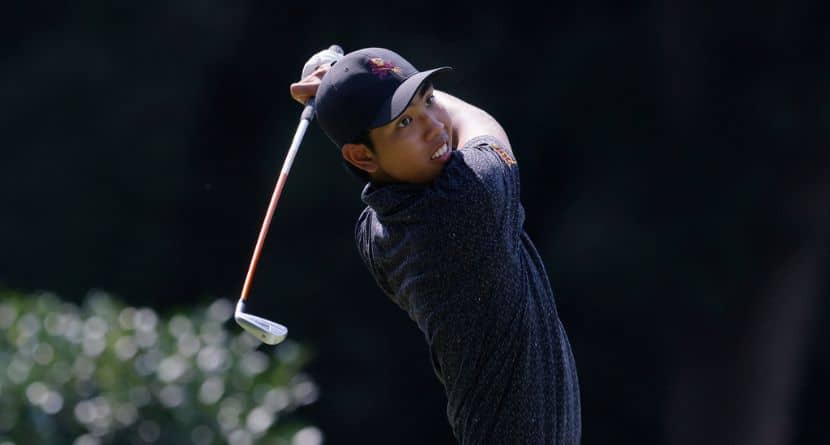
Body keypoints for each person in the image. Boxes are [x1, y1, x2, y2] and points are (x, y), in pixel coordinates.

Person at [290, 47, 582, 444]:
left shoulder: (374, 233)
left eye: (428, 99)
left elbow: (376, 157)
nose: (435, 127)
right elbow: (477, 123)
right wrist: (340, 90)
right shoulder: (466, 202)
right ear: (360, 154)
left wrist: (340, 97)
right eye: (406, 121)